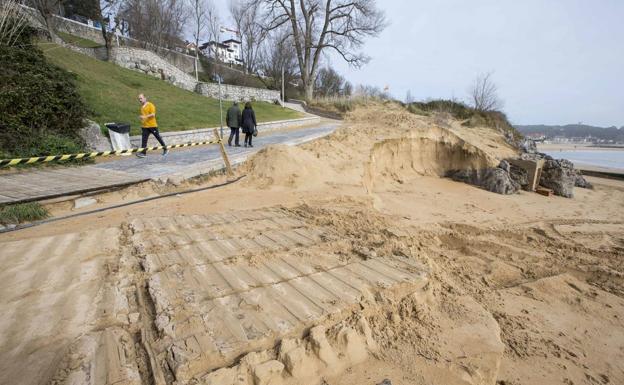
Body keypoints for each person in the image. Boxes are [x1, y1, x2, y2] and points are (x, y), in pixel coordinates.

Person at [137, 93, 168, 157]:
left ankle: (165, 149)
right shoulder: (142, 107)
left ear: (145, 98)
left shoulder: (151, 105)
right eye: (139, 99)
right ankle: (143, 153)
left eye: (141, 98)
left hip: (152, 126)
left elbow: (153, 114)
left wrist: (144, 117)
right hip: (145, 126)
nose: (140, 100)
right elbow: (145, 116)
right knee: (144, 140)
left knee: (158, 137)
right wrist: (142, 119)